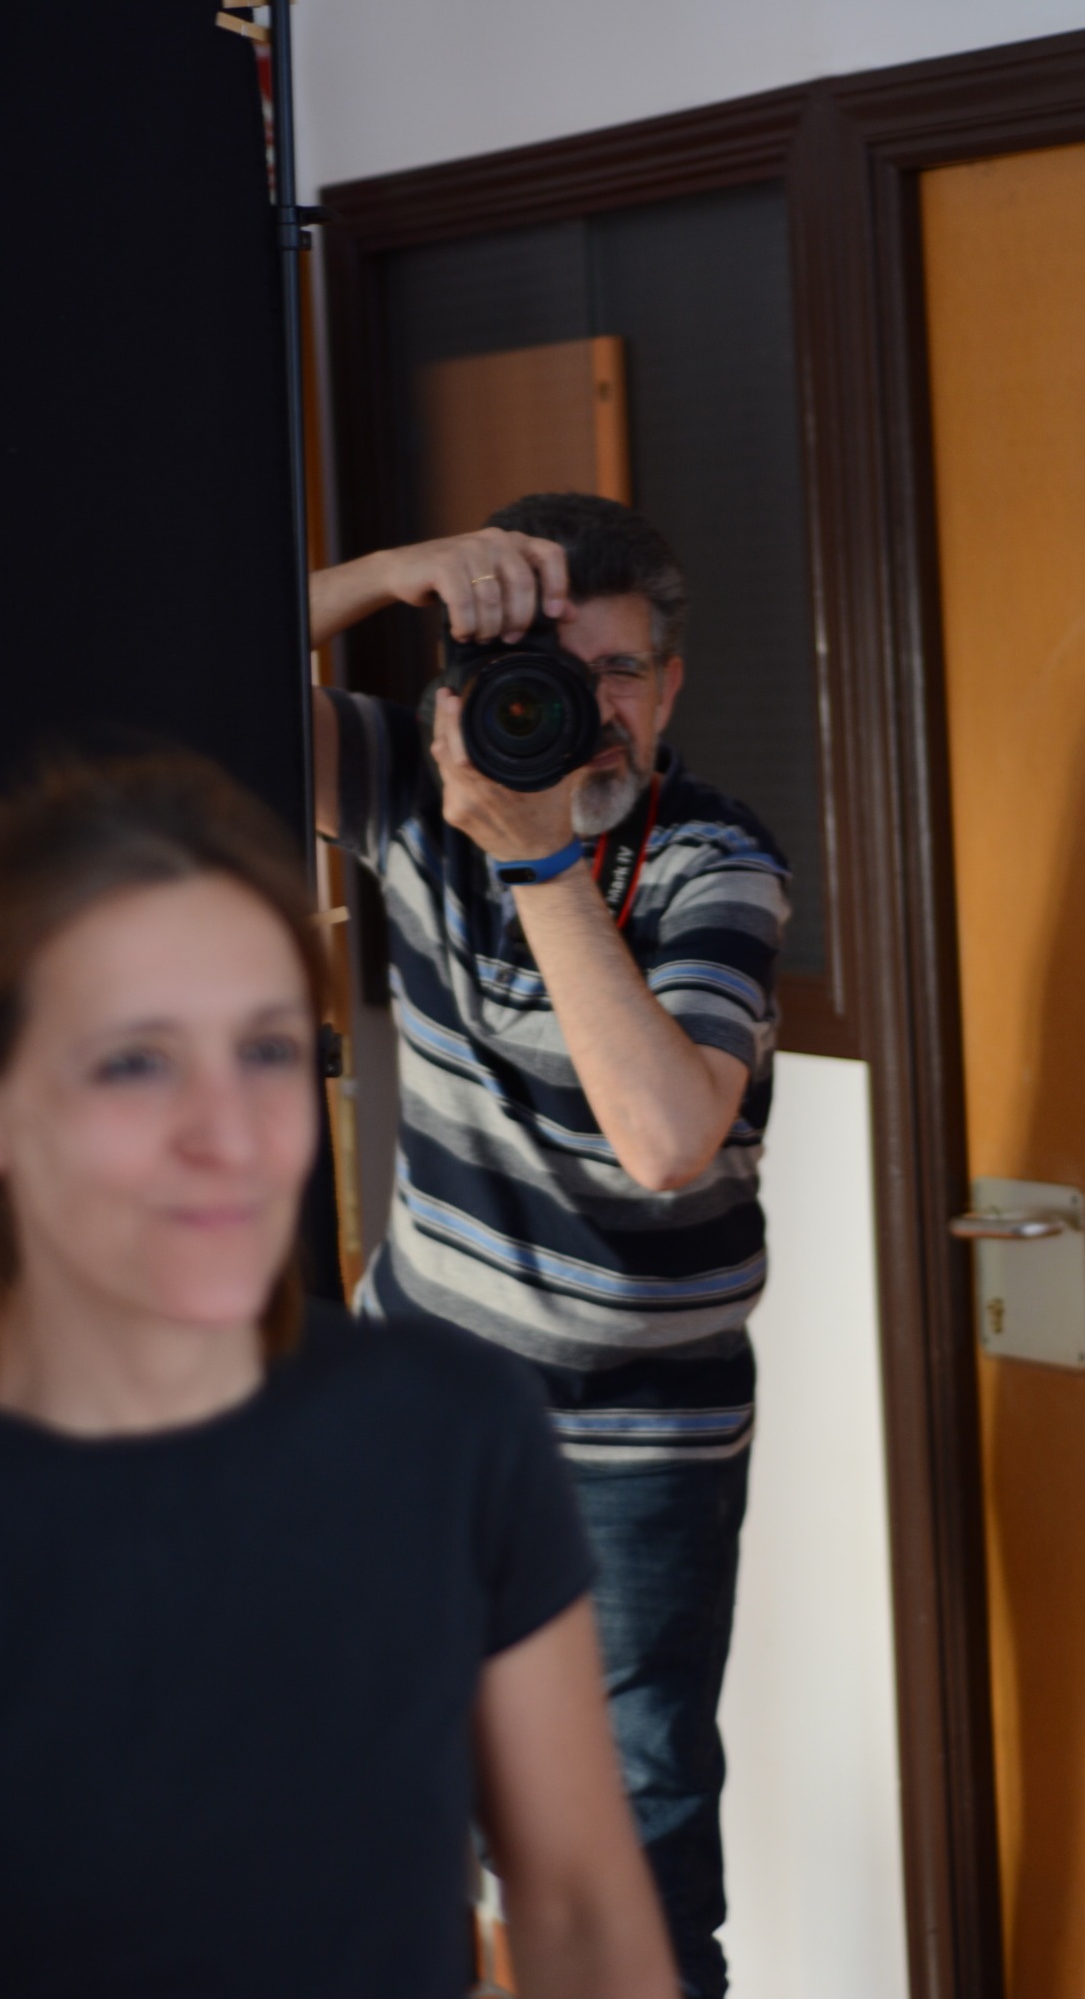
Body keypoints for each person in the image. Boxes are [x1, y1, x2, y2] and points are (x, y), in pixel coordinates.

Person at [0, 749, 678, 1999]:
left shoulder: (445, 1428)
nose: (233, 1135)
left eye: (265, 1050)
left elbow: (576, 1905)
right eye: (135, 1061)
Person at [311, 492, 790, 1999]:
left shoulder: (713, 856)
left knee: (633, 1859)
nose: (580, 711)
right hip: (421, 1425)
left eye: (618, 673)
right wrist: (389, 574)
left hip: (643, 1449)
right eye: (540, 674)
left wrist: (539, 866)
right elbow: (156, 679)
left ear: (670, 686)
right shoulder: (412, 787)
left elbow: (665, 1136)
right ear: (462, 682)